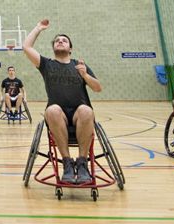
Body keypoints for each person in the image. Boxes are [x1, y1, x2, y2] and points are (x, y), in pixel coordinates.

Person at [23, 19, 102, 184]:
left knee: (87, 110)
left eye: (64, 40)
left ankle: (82, 164)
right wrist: (38, 28)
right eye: (57, 40)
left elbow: (97, 88)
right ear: (53, 47)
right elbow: (27, 47)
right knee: (52, 110)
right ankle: (66, 163)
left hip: (79, 116)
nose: (60, 41)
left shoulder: (79, 65)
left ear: (70, 49)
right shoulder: (46, 64)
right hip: (58, 117)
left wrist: (85, 75)